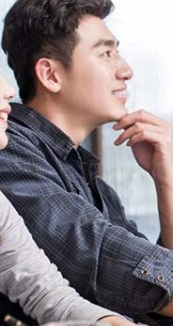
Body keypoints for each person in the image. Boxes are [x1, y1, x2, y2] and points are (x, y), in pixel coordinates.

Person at [0, 0, 173, 325]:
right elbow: (95, 254)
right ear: (50, 74)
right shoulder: (8, 148)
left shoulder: (90, 182)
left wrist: (166, 181)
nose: (125, 70)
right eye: (106, 53)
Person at [0, 74, 137, 326]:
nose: (8, 90)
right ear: (50, 75)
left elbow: (48, 294)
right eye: (105, 53)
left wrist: (109, 322)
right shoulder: (18, 159)